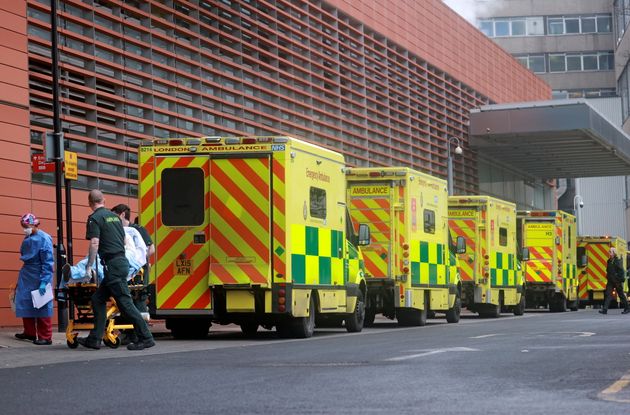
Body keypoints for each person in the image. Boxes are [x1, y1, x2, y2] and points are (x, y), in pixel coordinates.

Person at [76, 190, 155, 351]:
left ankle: (146, 337)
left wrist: (89, 267)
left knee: (125, 303)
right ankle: (95, 339)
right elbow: (124, 241)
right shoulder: (116, 218)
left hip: (113, 266)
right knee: (98, 299)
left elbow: (94, 243)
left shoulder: (95, 218)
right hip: (120, 263)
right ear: (104, 200)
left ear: (90, 203)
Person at [14, 213, 54, 345]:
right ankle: (30, 332)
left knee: (41, 304)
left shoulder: (44, 238)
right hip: (27, 274)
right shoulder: (29, 237)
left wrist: (44, 281)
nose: (24, 228)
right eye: (23, 226)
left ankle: (46, 336)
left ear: (34, 223)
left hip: (39, 274)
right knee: (25, 301)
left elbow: (48, 262)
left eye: (26, 226)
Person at [599, 247, 629, 315]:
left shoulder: (617, 261)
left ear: (614, 253)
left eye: (610, 251)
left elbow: (621, 271)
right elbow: (608, 270)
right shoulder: (609, 261)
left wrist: (620, 279)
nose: (609, 252)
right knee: (608, 294)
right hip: (610, 281)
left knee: (621, 295)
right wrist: (608, 276)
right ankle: (605, 309)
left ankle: (627, 308)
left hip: (617, 281)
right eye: (609, 251)